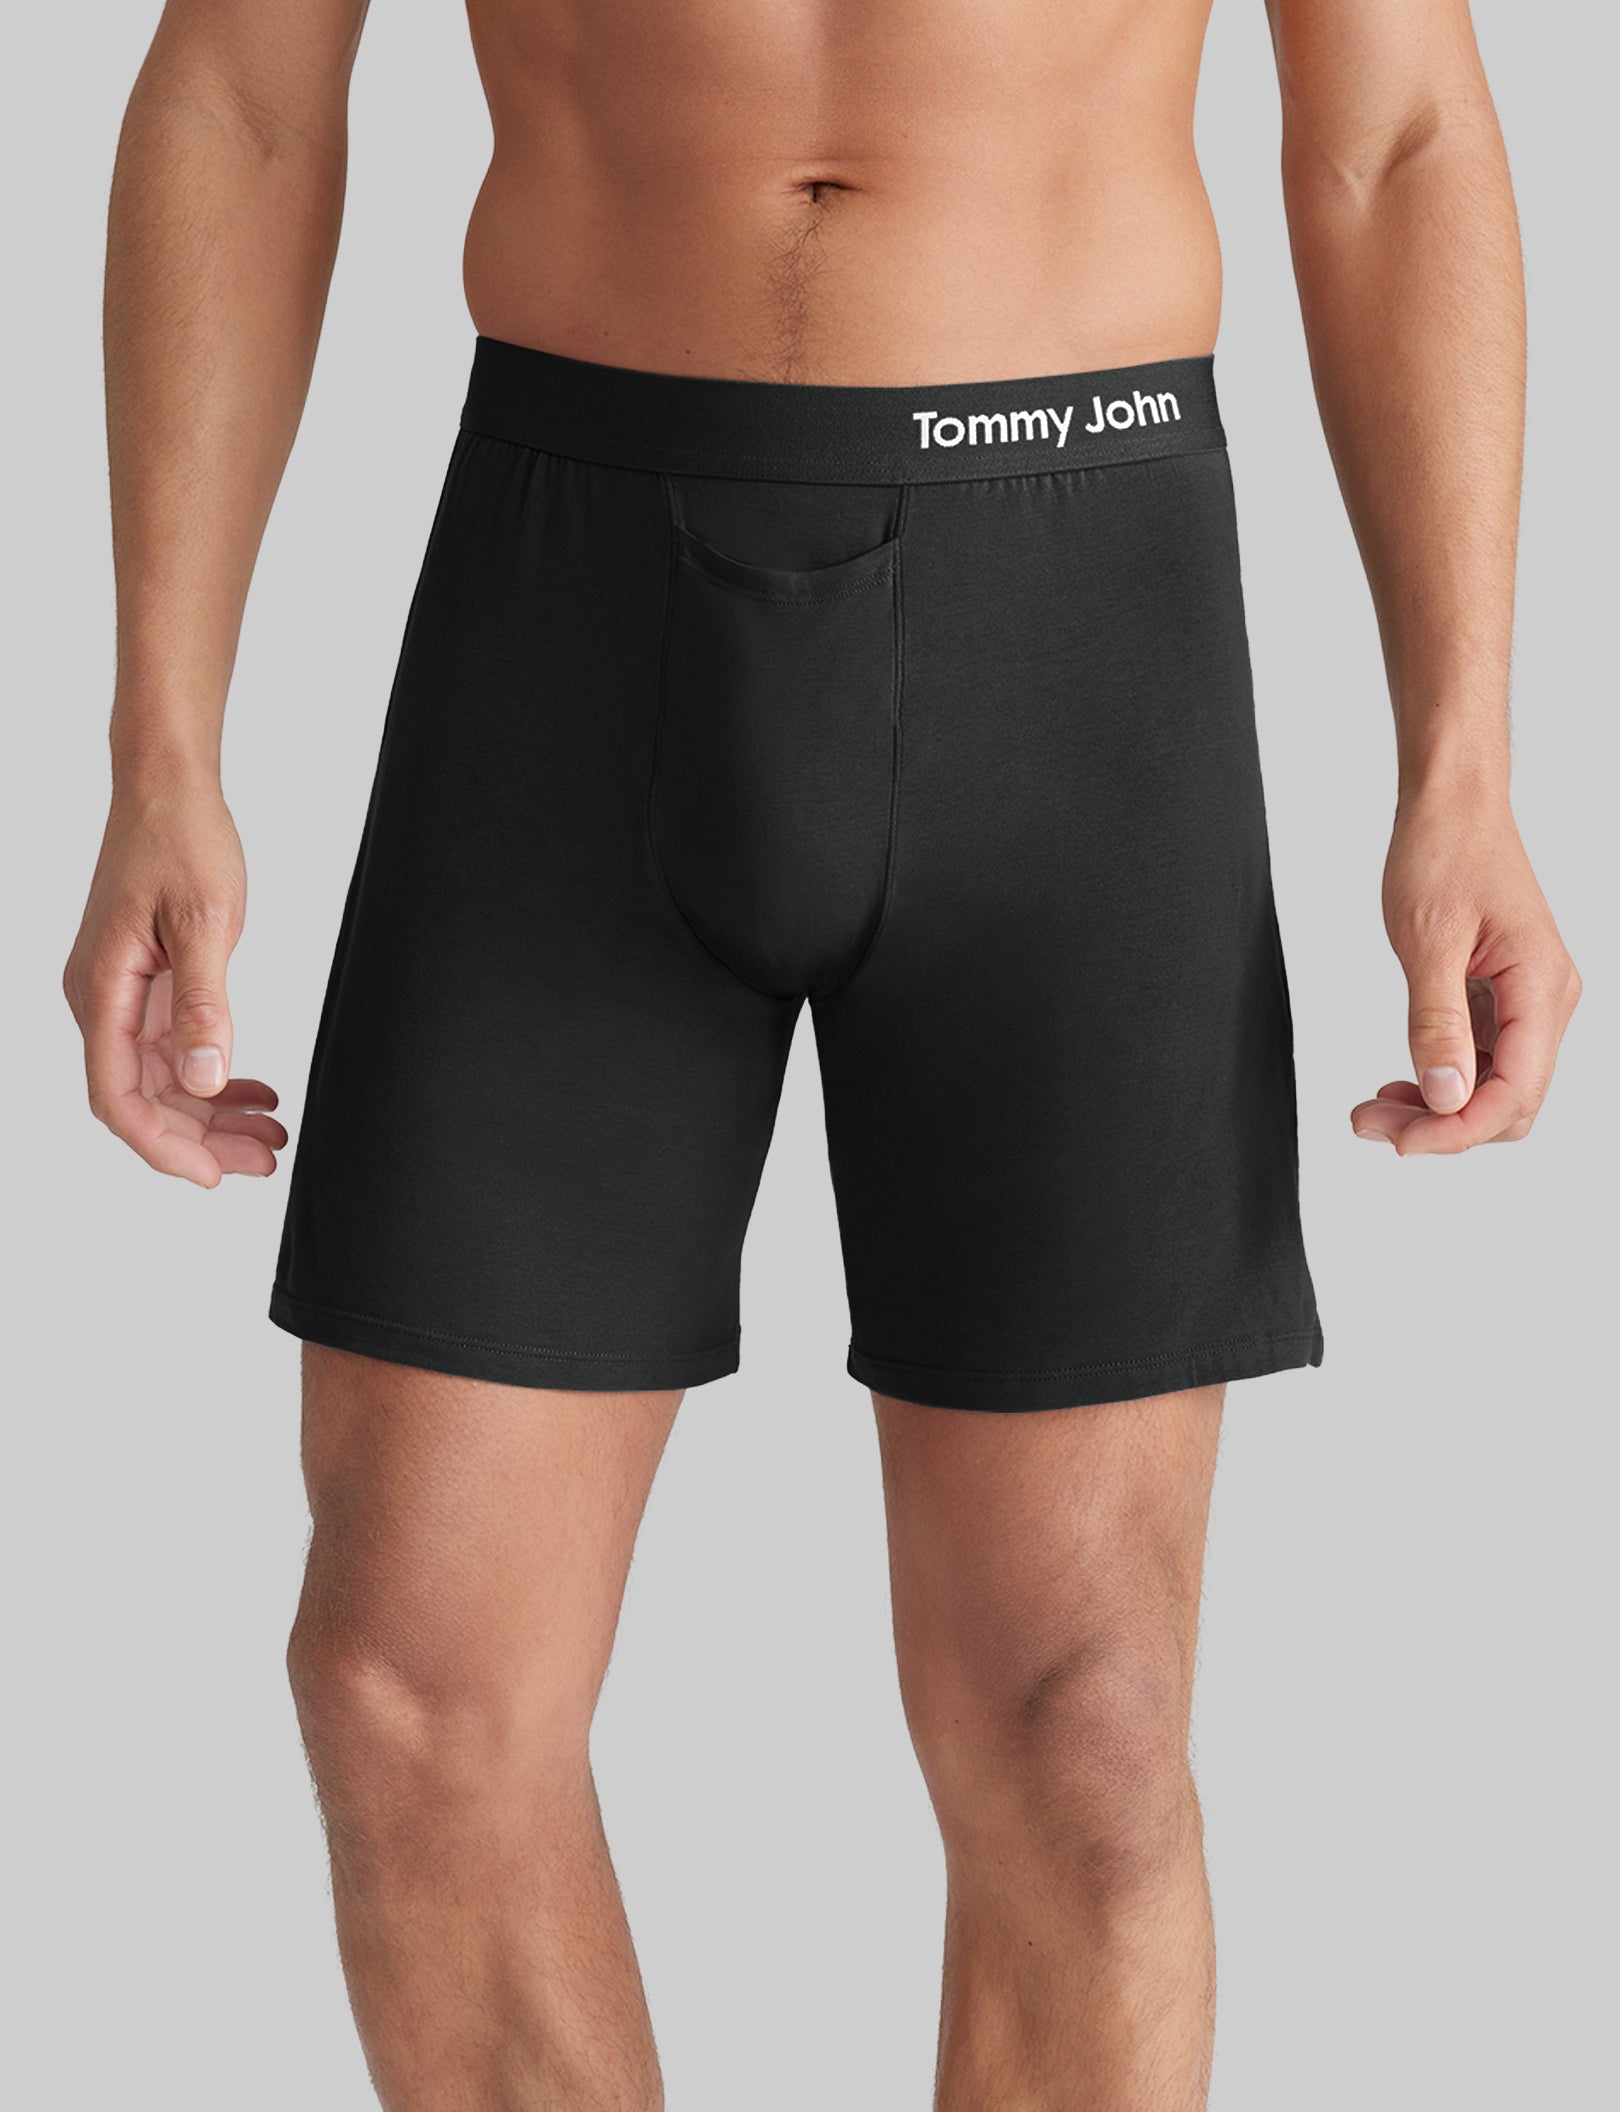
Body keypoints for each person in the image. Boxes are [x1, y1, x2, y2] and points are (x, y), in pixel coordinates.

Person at [62, 0, 1580, 2103]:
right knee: (407, 1692)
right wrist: (160, 744)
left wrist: (1463, 765)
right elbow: (240, 96)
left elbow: (1398, 133)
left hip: (1080, 595)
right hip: (569, 593)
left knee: (1086, 1731)